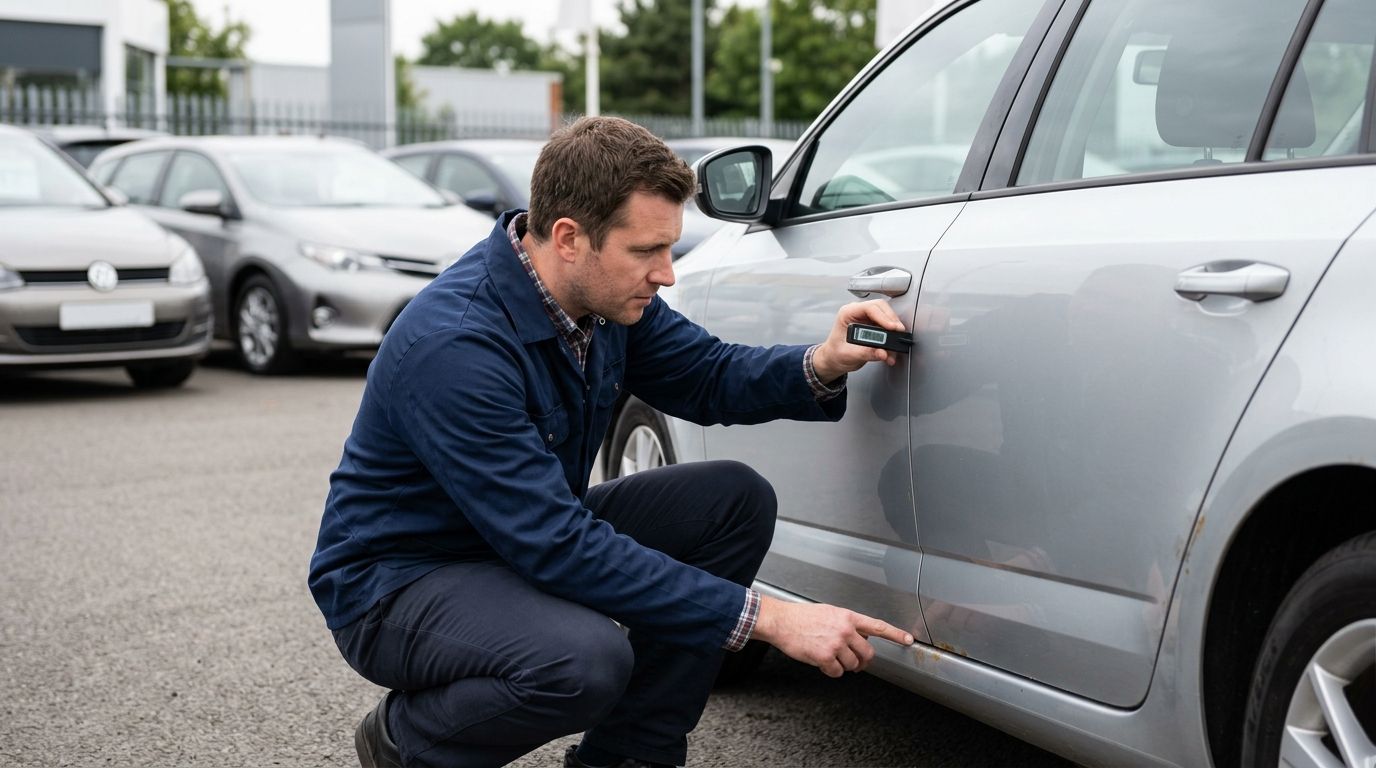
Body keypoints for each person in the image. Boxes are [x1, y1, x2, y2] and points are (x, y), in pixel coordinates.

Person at [308, 116, 915, 768]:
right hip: (402, 582)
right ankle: (408, 742)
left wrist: (821, 361)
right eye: (646, 251)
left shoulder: (602, 301)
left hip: (518, 541)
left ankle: (629, 758)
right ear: (569, 237)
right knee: (584, 659)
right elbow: (555, 545)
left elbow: (707, 375)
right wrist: (768, 618)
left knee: (730, 500)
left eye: (669, 248)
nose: (667, 274)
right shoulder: (457, 345)